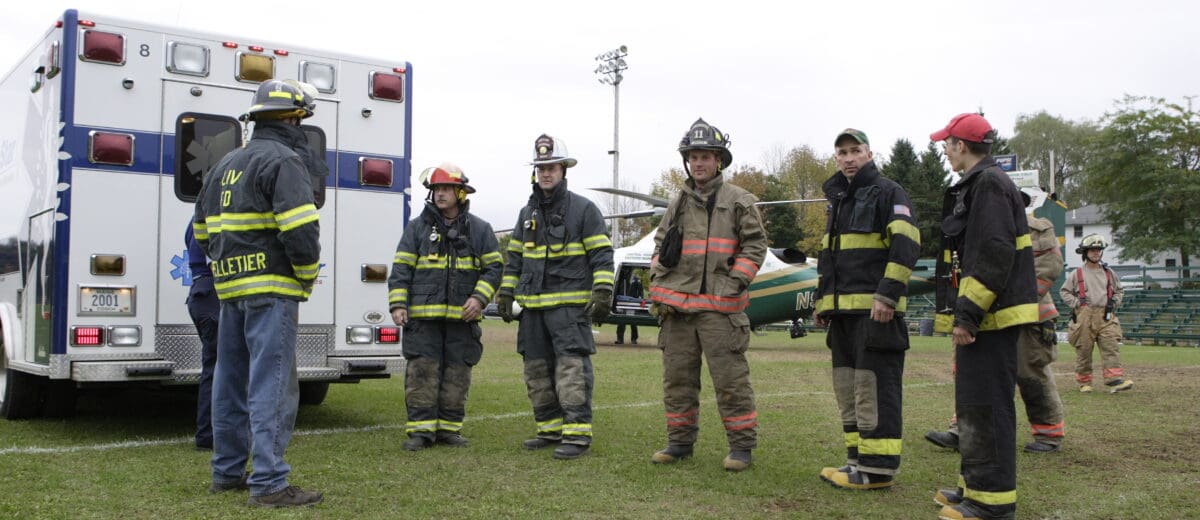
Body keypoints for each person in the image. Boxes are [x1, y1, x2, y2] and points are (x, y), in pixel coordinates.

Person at [193, 79, 324, 507]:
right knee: (272, 384)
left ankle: (227, 471)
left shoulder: (225, 163)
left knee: (229, 382)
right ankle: (268, 483)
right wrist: (306, 276)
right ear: (293, 120)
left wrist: (226, 263)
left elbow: (200, 230)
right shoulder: (285, 161)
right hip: (272, 289)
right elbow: (300, 230)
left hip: (230, 290)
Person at [929, 113, 1038, 520]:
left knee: (988, 407)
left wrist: (968, 315)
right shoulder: (982, 182)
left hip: (991, 318)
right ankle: (974, 487)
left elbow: (992, 253)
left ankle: (992, 502)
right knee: (973, 406)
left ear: (961, 145)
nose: (944, 150)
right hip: (988, 318)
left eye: (947, 144)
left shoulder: (989, 183)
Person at [647, 118, 767, 472]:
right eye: (693, 157)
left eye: (705, 157)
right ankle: (679, 442)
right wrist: (658, 280)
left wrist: (735, 282)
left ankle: (741, 448)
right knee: (678, 381)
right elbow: (660, 244)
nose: (698, 163)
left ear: (718, 160)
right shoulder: (678, 203)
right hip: (678, 311)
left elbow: (755, 246)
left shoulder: (739, 200)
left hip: (721, 311)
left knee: (731, 383)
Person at [813, 128, 920, 490]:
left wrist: (887, 295)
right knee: (849, 389)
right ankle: (856, 461)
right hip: (842, 315)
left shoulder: (890, 192)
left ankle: (877, 470)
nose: (848, 158)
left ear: (870, 154)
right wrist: (823, 302)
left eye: (855, 150)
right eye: (842, 152)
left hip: (876, 314)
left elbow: (907, 244)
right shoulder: (838, 199)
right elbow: (830, 256)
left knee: (874, 389)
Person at [497, 134, 614, 460]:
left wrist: (603, 290)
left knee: (571, 371)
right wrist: (506, 292)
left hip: (569, 310)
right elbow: (515, 259)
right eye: (541, 168)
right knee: (536, 371)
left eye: (551, 167)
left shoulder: (584, 209)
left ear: (563, 170)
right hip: (532, 310)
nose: (545, 173)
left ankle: (577, 435)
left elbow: (602, 256)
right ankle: (549, 430)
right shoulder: (526, 213)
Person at [925, 187, 1067, 457]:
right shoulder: (972, 231)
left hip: (1028, 317)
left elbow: (1049, 268)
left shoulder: (1038, 229)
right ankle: (965, 431)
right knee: (971, 374)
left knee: (1030, 374)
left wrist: (1007, 300)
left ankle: (1048, 433)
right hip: (981, 315)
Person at [387, 163, 502, 451]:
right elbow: (401, 269)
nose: (440, 193)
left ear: (461, 193)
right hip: (423, 321)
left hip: (462, 321)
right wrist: (398, 304)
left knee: (457, 374)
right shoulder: (417, 229)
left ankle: (449, 430)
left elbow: (494, 269)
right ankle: (421, 431)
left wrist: (479, 298)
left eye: (447, 188)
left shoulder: (480, 230)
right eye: (437, 188)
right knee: (422, 373)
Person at [1060, 234, 1133, 393]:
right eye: (1093, 250)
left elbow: (1119, 291)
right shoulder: (1077, 273)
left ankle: (1114, 380)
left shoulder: (1109, 273)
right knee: (1084, 350)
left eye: (1099, 250)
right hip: (1084, 316)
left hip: (1106, 315)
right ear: (1085, 252)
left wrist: (1114, 302)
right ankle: (1084, 382)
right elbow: (1064, 292)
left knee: (1111, 347)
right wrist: (1077, 303)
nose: (1096, 253)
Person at [185, 223, 218, 451]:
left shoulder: (197, 218)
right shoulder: (215, 214)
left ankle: (209, 433)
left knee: (214, 367)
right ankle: (209, 435)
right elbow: (216, 263)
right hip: (213, 295)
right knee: (219, 369)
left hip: (201, 293)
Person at [616, 276, 642, 344]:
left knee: (633, 322)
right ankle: (620, 339)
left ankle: (634, 339)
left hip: (633, 304)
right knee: (621, 321)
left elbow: (640, 292)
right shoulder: (622, 281)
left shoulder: (637, 281)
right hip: (622, 302)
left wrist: (639, 299)